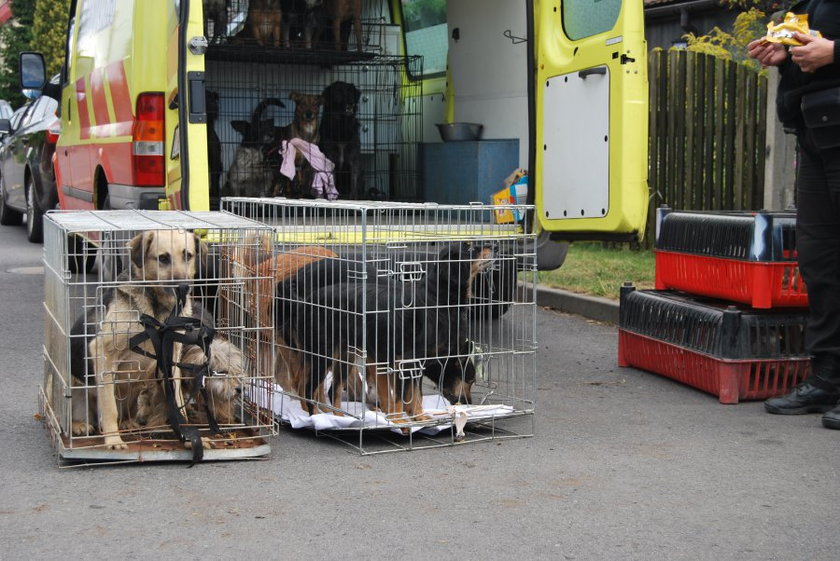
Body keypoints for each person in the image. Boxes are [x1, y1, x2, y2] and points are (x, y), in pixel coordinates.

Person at [747, 0, 840, 430]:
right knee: (819, 262)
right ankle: (827, 377)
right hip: (816, 129)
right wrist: (786, 57)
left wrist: (835, 52)